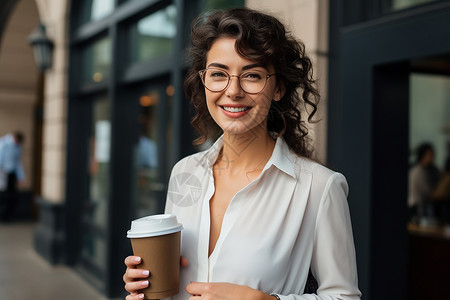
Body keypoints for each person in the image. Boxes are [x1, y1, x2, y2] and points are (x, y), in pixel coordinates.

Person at [123, 8, 361, 300]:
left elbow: (343, 296)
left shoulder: (319, 188)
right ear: (204, 80)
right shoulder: (184, 173)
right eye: (219, 74)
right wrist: (145, 285)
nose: (233, 91)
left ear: (278, 88)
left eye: (252, 75)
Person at [408, 142, 441, 223]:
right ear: (423, 155)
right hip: (418, 209)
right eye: (430, 154)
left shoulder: (433, 170)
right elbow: (430, 193)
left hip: (427, 208)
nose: (432, 157)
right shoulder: (418, 171)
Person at [0, 132, 25, 222]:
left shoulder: (17, 147)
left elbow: (18, 163)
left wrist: (21, 177)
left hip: (11, 174)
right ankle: (3, 216)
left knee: (12, 196)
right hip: (3, 173)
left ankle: (7, 216)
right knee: (4, 196)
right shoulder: (4, 144)